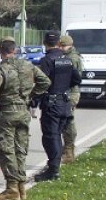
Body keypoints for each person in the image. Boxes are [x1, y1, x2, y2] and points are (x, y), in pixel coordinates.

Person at [0, 37, 51, 200]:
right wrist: (30, 96)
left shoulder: (1, 70)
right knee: (20, 149)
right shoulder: (28, 66)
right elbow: (45, 82)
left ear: (1, 52)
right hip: (24, 112)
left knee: (6, 150)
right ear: (14, 50)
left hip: (7, 113)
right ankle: (22, 187)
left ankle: (12, 188)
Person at [34, 31, 81, 181]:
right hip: (65, 103)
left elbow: (42, 83)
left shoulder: (46, 61)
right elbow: (77, 79)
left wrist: (34, 100)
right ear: (58, 44)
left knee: (50, 137)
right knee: (57, 136)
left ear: (45, 44)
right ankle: (54, 167)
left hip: (52, 104)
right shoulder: (66, 59)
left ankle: (53, 170)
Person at [58, 34, 83, 163]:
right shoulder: (66, 56)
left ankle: (69, 151)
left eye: (64, 46)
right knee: (65, 121)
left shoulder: (72, 58)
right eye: (60, 46)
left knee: (68, 121)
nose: (61, 48)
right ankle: (67, 149)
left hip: (71, 93)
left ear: (70, 46)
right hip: (68, 92)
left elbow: (71, 78)